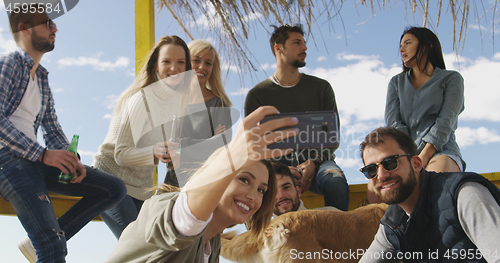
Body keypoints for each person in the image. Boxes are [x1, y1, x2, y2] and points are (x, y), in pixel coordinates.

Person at [1, 9, 126, 263]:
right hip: (9, 162)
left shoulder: (42, 78)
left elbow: (52, 128)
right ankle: (50, 243)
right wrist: (43, 154)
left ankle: (52, 238)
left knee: (112, 189)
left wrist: (71, 159)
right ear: (24, 28)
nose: (55, 28)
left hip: (35, 161)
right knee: (53, 251)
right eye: (47, 24)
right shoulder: (8, 64)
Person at [105, 106, 296, 263]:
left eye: (262, 190)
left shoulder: (212, 246)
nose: (253, 196)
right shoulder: (164, 208)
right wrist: (232, 156)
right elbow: (186, 218)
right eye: (244, 179)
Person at [93, 35, 192, 239]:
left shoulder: (177, 104)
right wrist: (154, 152)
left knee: (152, 249)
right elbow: (121, 155)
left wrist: (172, 157)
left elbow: (165, 153)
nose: (174, 68)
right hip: (110, 179)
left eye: (181, 62)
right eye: (167, 61)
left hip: (142, 189)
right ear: (156, 65)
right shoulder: (140, 99)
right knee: (139, 245)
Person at [244, 24, 349, 211]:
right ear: (279, 48)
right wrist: (277, 168)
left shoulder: (321, 87)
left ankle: (337, 239)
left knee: (336, 181)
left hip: (318, 162)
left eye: (304, 43)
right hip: (273, 166)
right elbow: (252, 146)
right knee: (249, 186)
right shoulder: (257, 95)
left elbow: (332, 137)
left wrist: (314, 161)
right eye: (297, 43)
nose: (305, 48)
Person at [358, 127, 500, 262]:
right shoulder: (392, 223)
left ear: (416, 164)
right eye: (371, 170)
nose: (381, 175)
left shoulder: (464, 195)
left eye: (390, 162)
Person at [368, 26, 466, 204]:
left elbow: (446, 121)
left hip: (440, 151)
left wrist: (423, 157)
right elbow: (393, 123)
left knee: (432, 181)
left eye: (407, 43)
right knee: (373, 193)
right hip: (404, 154)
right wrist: (407, 158)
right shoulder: (396, 83)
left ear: (428, 45)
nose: (401, 49)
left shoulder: (452, 79)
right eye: (400, 45)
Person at [164, 39, 233, 187]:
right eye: (196, 60)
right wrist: (207, 141)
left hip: (205, 182)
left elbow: (222, 146)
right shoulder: (172, 102)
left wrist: (182, 143)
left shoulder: (219, 104)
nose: (202, 67)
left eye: (208, 63)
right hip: (173, 182)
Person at [273, 162, 340, 216]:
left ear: (298, 191)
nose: (281, 196)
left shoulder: (331, 216)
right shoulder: (263, 230)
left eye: (286, 187)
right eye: (273, 191)